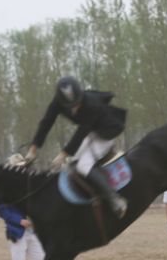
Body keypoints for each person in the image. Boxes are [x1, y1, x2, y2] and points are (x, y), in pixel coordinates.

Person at [23, 76, 128, 218]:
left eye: (77, 103)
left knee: (83, 166)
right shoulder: (58, 102)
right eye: (70, 106)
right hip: (92, 131)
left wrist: (63, 154)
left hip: (106, 131)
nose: (75, 107)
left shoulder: (91, 104)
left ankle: (115, 199)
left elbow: (80, 133)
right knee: (71, 163)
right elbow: (46, 122)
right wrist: (33, 149)